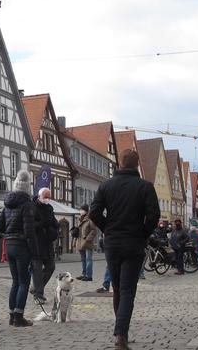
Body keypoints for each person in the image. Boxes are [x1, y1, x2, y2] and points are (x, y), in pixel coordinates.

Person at [90, 149, 160, 350]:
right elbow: (154, 215)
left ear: (119, 163)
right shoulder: (145, 187)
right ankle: (121, 335)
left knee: (118, 288)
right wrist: (143, 233)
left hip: (112, 243)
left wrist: (107, 228)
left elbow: (94, 212)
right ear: (137, 165)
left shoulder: (106, 185)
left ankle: (122, 333)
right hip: (134, 243)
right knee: (128, 290)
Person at [0, 170, 37, 327]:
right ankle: (19, 316)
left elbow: (0, 226)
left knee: (15, 281)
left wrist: (9, 233)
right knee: (24, 282)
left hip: (9, 245)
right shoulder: (27, 204)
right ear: (28, 187)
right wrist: (35, 253)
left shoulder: (7, 203)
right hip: (22, 246)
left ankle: (12, 315)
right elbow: (29, 231)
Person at [31, 187, 59, 303]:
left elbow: (54, 222)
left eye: (49, 197)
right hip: (36, 243)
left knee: (51, 267)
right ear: (39, 197)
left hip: (47, 243)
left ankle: (36, 288)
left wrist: (54, 229)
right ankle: (39, 295)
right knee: (36, 270)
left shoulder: (49, 208)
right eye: (45, 197)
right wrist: (43, 224)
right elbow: (31, 226)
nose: (47, 199)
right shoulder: (32, 207)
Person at [75, 203, 97, 281]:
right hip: (80, 242)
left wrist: (87, 238)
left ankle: (89, 275)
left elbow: (94, 230)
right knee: (83, 259)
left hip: (87, 242)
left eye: (82, 210)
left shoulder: (90, 219)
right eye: (80, 210)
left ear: (86, 211)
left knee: (88, 259)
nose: (80, 211)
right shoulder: (80, 219)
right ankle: (84, 274)